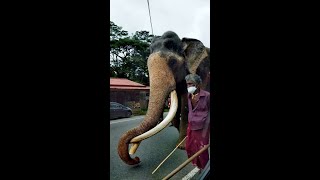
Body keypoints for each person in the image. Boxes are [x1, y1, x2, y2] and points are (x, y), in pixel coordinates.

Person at [185, 74, 210, 171]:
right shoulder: (188, 96)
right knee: (190, 148)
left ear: (198, 85)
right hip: (191, 127)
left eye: (191, 84)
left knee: (202, 150)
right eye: (187, 84)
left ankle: (206, 169)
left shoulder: (207, 96)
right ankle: (199, 166)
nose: (188, 87)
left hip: (203, 128)